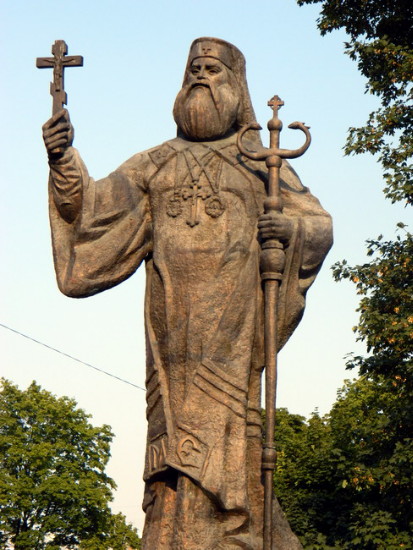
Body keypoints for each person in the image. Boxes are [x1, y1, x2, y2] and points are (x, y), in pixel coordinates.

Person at [43, 37, 333, 550]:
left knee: (232, 450)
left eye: (213, 69)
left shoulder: (260, 161)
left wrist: (285, 231)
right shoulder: (154, 163)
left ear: (236, 86)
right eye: (194, 68)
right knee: (171, 464)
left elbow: (316, 224)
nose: (201, 75)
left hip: (233, 337)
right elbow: (91, 214)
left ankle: (236, 535)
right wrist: (64, 159)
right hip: (172, 342)